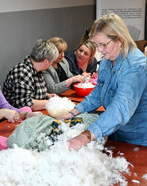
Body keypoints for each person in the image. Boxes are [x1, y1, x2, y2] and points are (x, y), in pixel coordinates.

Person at [61, 13, 147, 150]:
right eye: (96, 45)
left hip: (137, 139)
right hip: (115, 132)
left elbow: (120, 107)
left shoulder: (135, 66)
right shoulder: (108, 61)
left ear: (120, 40)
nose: (100, 50)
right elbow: (99, 92)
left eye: (103, 45)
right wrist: (73, 112)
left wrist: (86, 136)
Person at [3, 39, 59, 111]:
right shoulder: (23, 72)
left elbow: (31, 92)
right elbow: (25, 103)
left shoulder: (37, 69)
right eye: (52, 62)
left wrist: (46, 95)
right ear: (46, 61)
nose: (51, 64)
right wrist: (52, 102)